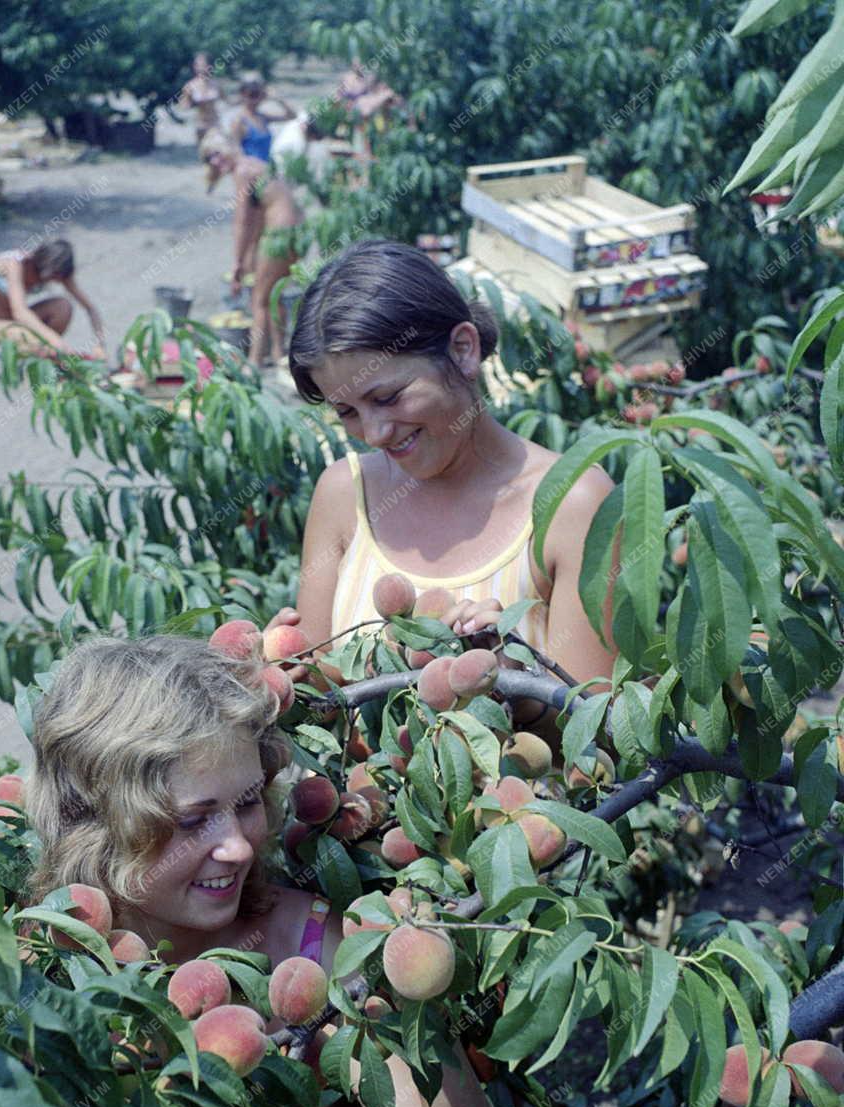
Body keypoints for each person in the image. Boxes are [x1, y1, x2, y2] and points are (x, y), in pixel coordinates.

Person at [26, 634, 521, 1107]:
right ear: (98, 828)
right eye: (192, 820)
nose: (236, 846)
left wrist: (397, 994)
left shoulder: (312, 951)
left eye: (248, 801)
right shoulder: (44, 986)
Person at [271, 239, 616, 733]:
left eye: (388, 396)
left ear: (463, 349)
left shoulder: (572, 504)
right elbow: (321, 711)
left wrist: (514, 687)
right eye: (346, 412)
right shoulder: (343, 494)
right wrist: (279, 681)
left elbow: (600, 750)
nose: (374, 433)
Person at [200, 130, 303, 367]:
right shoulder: (257, 164)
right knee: (275, 294)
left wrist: (237, 263)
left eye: (216, 153)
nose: (215, 161)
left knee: (259, 299)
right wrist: (249, 257)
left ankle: (255, 360)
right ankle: (278, 353)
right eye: (209, 159)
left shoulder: (242, 170)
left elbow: (242, 221)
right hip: (295, 232)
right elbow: (258, 217)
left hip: (278, 232)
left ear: (230, 146)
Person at [0, 239, 105, 358]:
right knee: (36, 341)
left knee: (63, 307)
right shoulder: (14, 264)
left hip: (14, 321)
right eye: (52, 275)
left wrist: (99, 345)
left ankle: (42, 354)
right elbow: (20, 312)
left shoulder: (60, 273)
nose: (53, 280)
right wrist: (55, 341)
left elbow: (90, 308)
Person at [229, 73, 296, 166]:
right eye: (251, 94)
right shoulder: (239, 121)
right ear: (242, 94)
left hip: (266, 170)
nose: (255, 98)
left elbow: (291, 116)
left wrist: (278, 99)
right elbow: (237, 152)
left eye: (257, 94)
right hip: (250, 172)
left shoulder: (263, 117)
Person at [178, 53, 223, 146]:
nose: (200, 68)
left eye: (203, 64)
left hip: (215, 123)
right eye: (197, 65)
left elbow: (227, 100)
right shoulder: (190, 86)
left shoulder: (216, 84)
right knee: (204, 153)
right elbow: (183, 106)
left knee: (217, 149)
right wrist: (191, 102)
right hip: (200, 125)